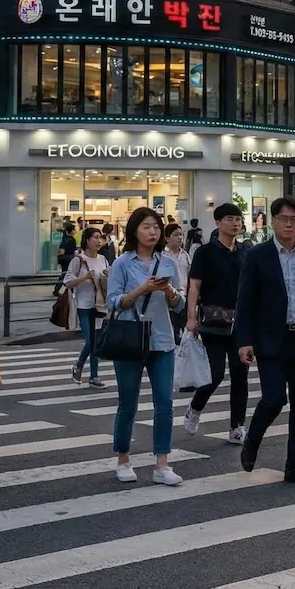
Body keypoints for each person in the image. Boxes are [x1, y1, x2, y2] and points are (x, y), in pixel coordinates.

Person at [235, 196, 295, 486]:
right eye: (283, 219)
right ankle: (252, 440)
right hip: (270, 339)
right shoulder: (257, 255)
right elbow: (245, 301)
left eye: (294, 219)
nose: (289, 224)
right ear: (272, 221)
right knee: (274, 399)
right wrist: (245, 340)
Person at [106, 207, 186, 486]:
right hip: (129, 340)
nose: (152, 232)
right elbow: (113, 302)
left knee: (164, 403)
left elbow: (181, 304)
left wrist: (169, 291)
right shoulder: (122, 264)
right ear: (134, 231)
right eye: (146, 227)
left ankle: (162, 463)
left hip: (162, 340)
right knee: (128, 403)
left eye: (156, 227)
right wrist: (142, 289)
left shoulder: (168, 263)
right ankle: (123, 458)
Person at [184, 203, 251, 444]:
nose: (236, 223)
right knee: (214, 374)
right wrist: (191, 317)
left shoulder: (246, 251)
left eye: (238, 219)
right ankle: (195, 407)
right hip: (212, 323)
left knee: (240, 376)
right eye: (230, 219)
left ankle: (237, 428)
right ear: (218, 223)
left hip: (241, 324)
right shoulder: (205, 252)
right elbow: (194, 286)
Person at [64, 227, 110, 388]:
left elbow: (107, 282)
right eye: (95, 237)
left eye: (100, 238)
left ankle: (94, 377)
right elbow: (67, 282)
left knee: (96, 342)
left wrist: (108, 274)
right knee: (90, 341)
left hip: (99, 305)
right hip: (83, 305)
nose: (99, 241)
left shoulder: (103, 259)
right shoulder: (79, 260)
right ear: (87, 240)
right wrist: (84, 277)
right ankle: (78, 366)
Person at [162, 223, 192, 345]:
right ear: (167, 238)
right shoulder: (162, 255)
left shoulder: (185, 255)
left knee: (182, 327)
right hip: (166, 295)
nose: (180, 237)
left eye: (181, 235)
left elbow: (190, 274)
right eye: (176, 235)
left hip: (183, 295)